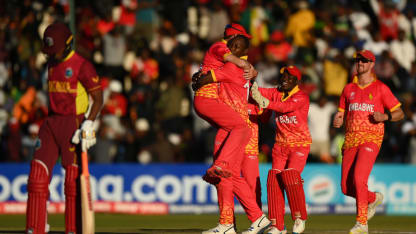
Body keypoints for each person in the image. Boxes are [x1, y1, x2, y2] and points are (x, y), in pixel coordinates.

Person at [25, 22, 103, 234]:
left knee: (72, 180)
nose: (50, 55)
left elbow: (97, 98)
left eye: (55, 50)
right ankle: (36, 227)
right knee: (37, 177)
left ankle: (73, 228)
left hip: (74, 123)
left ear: (68, 45)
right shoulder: (50, 63)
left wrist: (89, 122)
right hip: (51, 122)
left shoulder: (81, 65)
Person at [193, 35, 270, 234]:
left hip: (234, 127)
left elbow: (204, 79)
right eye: (231, 44)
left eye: (236, 46)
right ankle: (253, 219)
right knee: (230, 177)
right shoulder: (245, 72)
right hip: (232, 125)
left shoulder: (230, 68)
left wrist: (198, 78)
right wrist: (252, 69)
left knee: (225, 172)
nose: (231, 47)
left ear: (243, 52)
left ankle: (230, 222)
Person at [332, 49, 404, 234]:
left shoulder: (381, 88)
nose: (360, 63)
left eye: (364, 61)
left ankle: (361, 223)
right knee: (346, 187)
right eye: (358, 60)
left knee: (359, 178)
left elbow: (399, 113)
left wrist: (385, 116)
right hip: (350, 139)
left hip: (371, 138)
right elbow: (340, 112)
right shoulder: (348, 89)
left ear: (372, 64)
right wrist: (338, 119)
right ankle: (373, 198)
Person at [250, 65, 311, 234]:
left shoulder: (301, 97)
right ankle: (277, 225)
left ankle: (299, 217)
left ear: (296, 81)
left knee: (290, 175)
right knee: (273, 178)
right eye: (283, 76)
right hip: (280, 145)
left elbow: (284, 108)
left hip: (299, 144)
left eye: (289, 77)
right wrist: (251, 81)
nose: (284, 79)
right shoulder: (277, 92)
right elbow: (258, 90)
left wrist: (265, 102)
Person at [193, 23, 257, 178]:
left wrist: (253, 71)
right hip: (208, 99)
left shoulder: (223, 51)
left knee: (235, 130)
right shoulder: (219, 47)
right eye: (240, 42)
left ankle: (221, 168)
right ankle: (220, 165)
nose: (240, 48)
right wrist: (251, 69)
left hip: (211, 99)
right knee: (241, 128)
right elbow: (240, 63)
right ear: (234, 37)